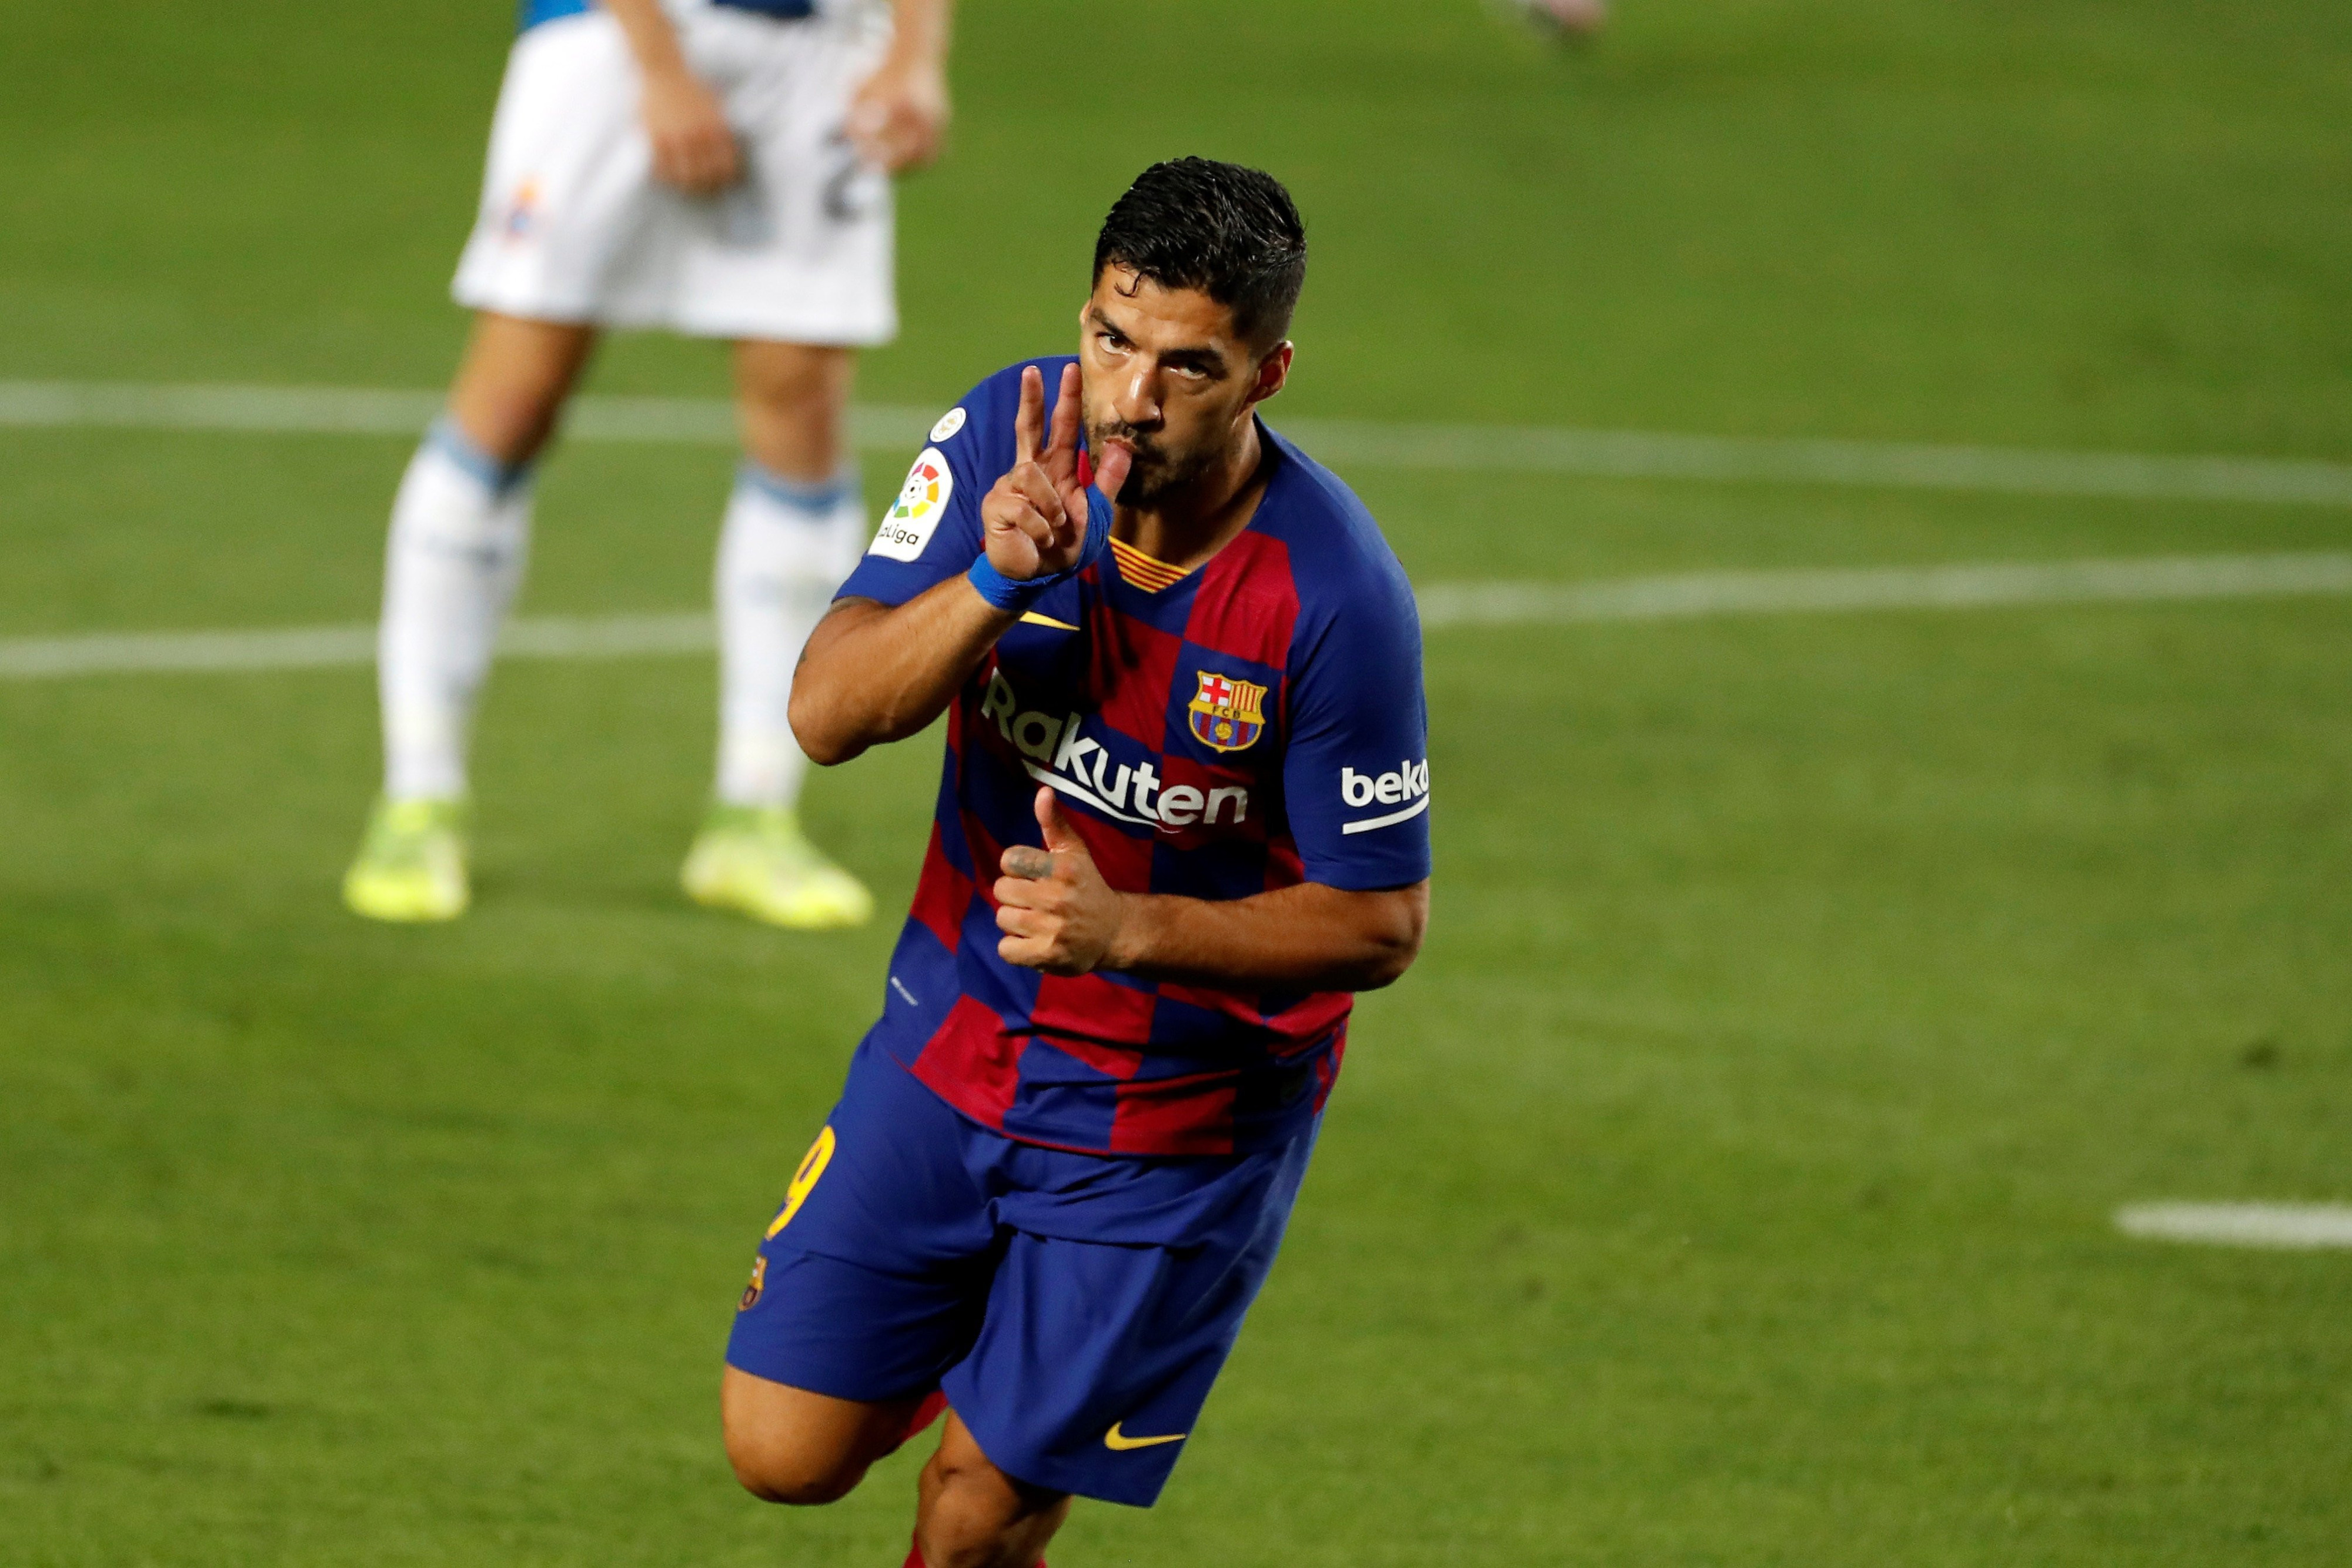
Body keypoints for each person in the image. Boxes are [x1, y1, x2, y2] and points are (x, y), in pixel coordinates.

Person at [719, 159, 1434, 1568]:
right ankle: (1007, 1358)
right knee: (781, 1449)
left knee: (974, 1512)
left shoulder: (1334, 594)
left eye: (1188, 364)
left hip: (1167, 1121)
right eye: (1114, 338)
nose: (1130, 397)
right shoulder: (1006, 430)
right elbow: (822, 716)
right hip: (953, 1041)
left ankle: (1023, 1404)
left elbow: (1381, 923)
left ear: (1264, 374)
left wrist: (1135, 931)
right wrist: (989, 585)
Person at [342, 0, 953, 927]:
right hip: (617, 38)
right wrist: (661, 67)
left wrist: (915, 52)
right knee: (513, 398)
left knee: (803, 412)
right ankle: (417, 801)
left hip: (821, 45)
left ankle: (754, 815)